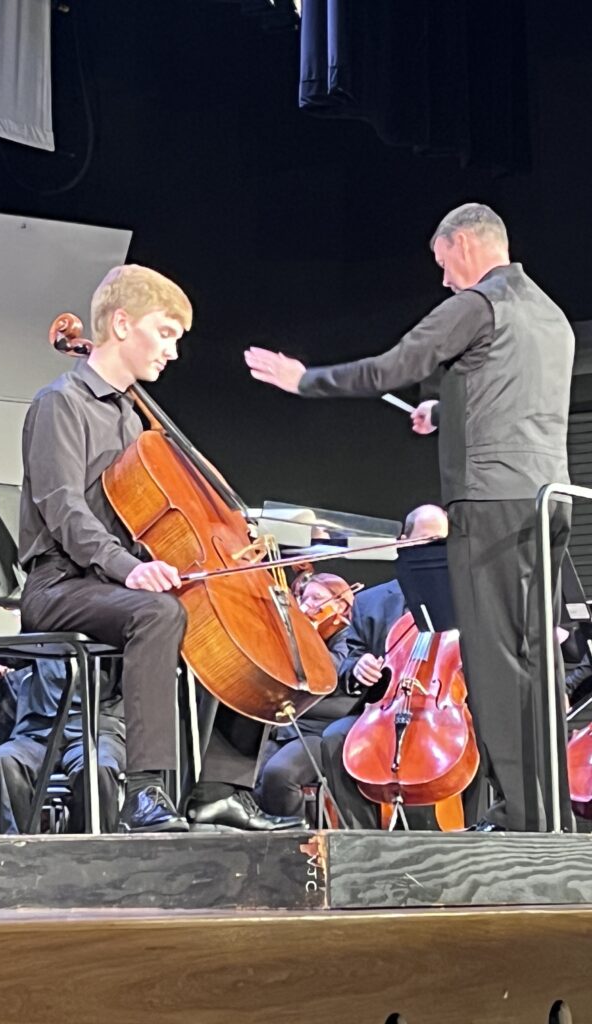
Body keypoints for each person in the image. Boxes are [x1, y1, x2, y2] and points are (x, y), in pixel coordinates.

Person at [245, 202, 575, 832]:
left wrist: (303, 380)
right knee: (533, 659)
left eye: (442, 260)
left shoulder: (478, 303)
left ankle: (524, 820)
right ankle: (549, 810)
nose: (444, 276)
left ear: (465, 244)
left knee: (493, 662)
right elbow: (511, 396)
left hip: (487, 499)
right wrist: (444, 413)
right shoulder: (549, 314)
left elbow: (393, 365)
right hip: (545, 502)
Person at [21, 265, 306, 834]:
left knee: (247, 619)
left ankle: (221, 789)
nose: (173, 351)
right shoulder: (61, 404)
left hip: (113, 583)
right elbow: (65, 512)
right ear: (122, 325)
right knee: (158, 612)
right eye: (167, 332)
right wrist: (130, 568)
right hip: (61, 584)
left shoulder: (136, 416)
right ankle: (145, 794)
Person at [319, 506, 463, 829]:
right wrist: (358, 669)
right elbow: (347, 663)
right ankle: (362, 842)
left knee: (477, 744)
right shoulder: (370, 602)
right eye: (426, 542)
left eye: (442, 544)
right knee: (334, 739)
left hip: (444, 709)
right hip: (385, 710)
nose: (434, 552)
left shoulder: (466, 599)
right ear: (403, 543)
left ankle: (470, 838)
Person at [254, 572, 354, 819]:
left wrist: (303, 638)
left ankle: (297, 841)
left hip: (322, 731)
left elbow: (333, 671)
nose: (306, 606)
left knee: (279, 774)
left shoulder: (349, 636)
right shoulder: (308, 635)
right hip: (286, 727)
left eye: (316, 598)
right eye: (303, 599)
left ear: (340, 604)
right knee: (244, 777)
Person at [0, 659, 125, 834]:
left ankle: (88, 850)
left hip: (98, 729)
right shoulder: (44, 634)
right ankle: (20, 850)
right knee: (6, 758)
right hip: (40, 731)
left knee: (98, 768)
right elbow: (13, 655)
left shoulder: (113, 635)